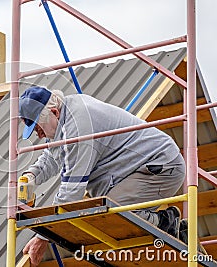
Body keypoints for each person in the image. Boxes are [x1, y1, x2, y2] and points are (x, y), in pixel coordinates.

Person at [18, 86, 186, 266]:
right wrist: (32, 176)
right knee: (103, 216)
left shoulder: (79, 126)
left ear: (54, 112)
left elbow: (70, 193)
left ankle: (167, 224)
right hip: (138, 170)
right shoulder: (65, 115)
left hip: (159, 167)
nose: (38, 134)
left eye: (38, 127)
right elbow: (52, 155)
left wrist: (43, 236)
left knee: (111, 214)